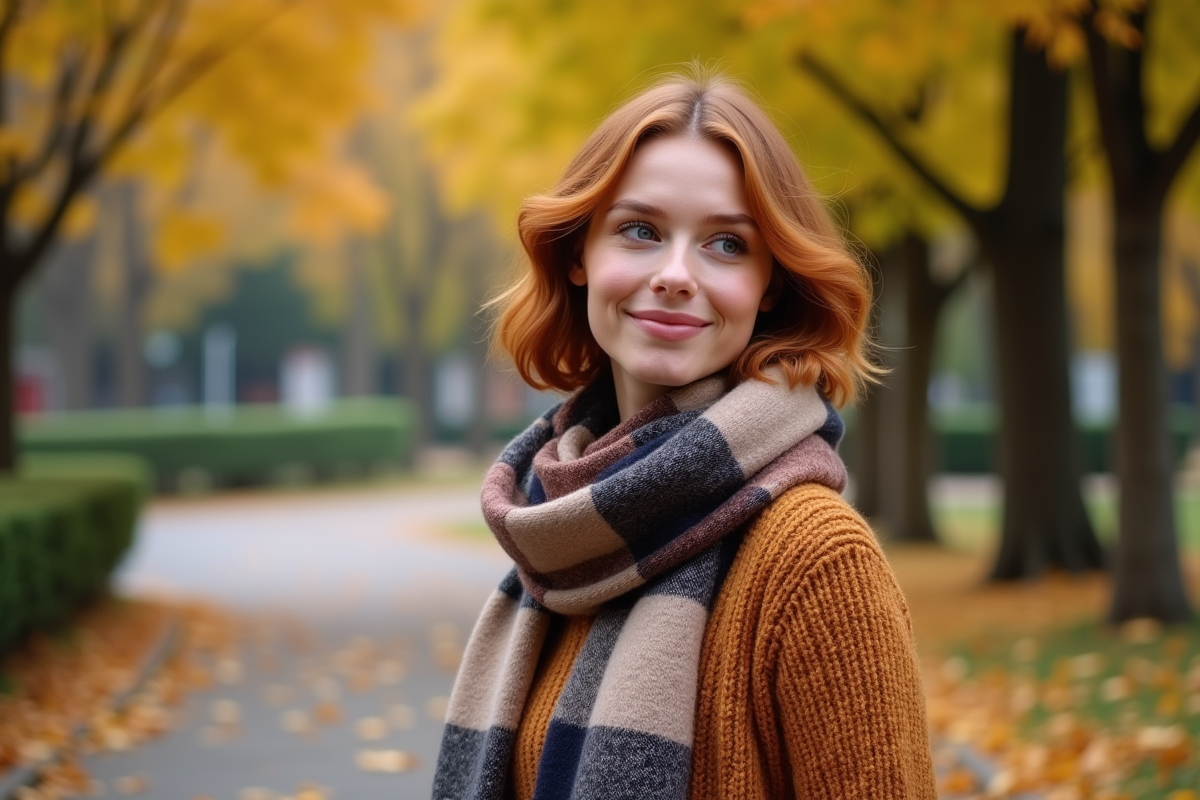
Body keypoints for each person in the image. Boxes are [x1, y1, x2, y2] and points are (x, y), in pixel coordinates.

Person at [432, 71, 936, 800]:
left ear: (769, 284)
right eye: (640, 231)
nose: (674, 275)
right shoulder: (559, 540)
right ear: (581, 255)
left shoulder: (818, 563)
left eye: (726, 244)